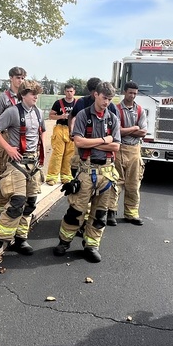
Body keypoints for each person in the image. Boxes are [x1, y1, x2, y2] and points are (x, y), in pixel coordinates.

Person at [54, 81, 120, 263]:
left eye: (110, 99)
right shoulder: (83, 115)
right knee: (75, 211)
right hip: (86, 170)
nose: (107, 102)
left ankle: (91, 245)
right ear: (96, 95)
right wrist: (103, 140)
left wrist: (97, 141)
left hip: (106, 172)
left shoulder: (113, 118)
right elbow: (79, 142)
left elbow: (116, 146)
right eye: (104, 98)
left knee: (99, 214)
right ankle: (64, 241)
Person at [0, 78, 47, 256]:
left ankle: (20, 239)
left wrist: (41, 156)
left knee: (30, 203)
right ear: (23, 95)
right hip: (17, 163)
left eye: (37, 94)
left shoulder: (39, 113)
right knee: (17, 202)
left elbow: (40, 133)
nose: (36, 97)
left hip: (32, 163)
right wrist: (8, 148)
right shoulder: (12, 112)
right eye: (33, 94)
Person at [0, 66, 27, 215]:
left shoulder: (26, 96)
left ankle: (14, 205)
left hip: (20, 139)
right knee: (3, 172)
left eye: (23, 78)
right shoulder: (3, 98)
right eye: (18, 77)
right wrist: (8, 118)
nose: (20, 80)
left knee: (20, 172)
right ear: (11, 78)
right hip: (5, 137)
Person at [115, 81, 148, 226]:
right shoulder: (115, 109)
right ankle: (110, 211)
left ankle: (131, 214)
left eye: (135, 93)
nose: (133, 96)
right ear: (124, 92)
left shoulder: (140, 110)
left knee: (133, 184)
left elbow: (143, 132)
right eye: (130, 93)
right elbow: (116, 131)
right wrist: (134, 128)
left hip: (135, 151)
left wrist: (127, 130)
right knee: (115, 183)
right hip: (119, 149)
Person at [45, 83, 76, 186]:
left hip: (72, 130)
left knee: (69, 154)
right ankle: (52, 176)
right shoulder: (58, 103)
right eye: (67, 91)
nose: (69, 93)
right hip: (60, 129)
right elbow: (51, 116)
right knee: (58, 153)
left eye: (71, 91)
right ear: (64, 92)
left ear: (74, 92)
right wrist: (61, 116)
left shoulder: (77, 103)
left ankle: (66, 176)